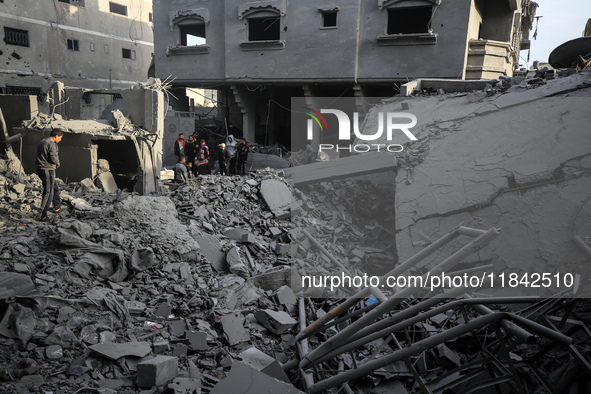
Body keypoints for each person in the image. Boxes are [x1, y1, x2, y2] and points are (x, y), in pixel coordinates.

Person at [36, 128, 64, 220]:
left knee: (54, 187)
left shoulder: (43, 141)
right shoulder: (51, 144)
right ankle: (42, 215)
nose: (60, 140)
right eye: (60, 137)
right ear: (56, 136)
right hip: (47, 170)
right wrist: (58, 162)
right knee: (48, 192)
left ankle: (57, 206)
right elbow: (53, 158)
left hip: (41, 168)